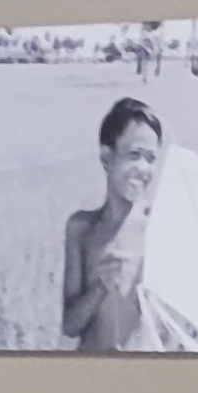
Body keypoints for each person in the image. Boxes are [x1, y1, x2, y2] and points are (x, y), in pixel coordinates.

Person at [61, 96, 165, 351]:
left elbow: (173, 329)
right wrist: (100, 287)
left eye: (151, 158)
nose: (143, 168)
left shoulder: (159, 228)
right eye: (134, 155)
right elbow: (69, 326)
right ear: (107, 157)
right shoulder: (82, 228)